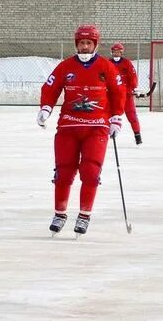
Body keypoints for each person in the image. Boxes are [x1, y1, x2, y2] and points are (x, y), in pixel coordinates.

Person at [37, 24, 125, 236]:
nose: (84, 47)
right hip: (69, 125)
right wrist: (46, 108)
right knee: (63, 172)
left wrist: (116, 118)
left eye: (88, 43)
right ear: (76, 44)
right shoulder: (66, 66)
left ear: (95, 44)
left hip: (97, 127)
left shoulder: (106, 66)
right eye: (81, 43)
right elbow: (50, 87)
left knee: (91, 172)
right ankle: (60, 213)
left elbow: (118, 91)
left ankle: (84, 215)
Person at [109, 42, 143, 145]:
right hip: (113, 95)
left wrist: (134, 87)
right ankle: (104, 136)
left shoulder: (127, 63)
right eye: (114, 51)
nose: (116, 53)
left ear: (121, 52)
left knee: (132, 116)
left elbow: (132, 77)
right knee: (108, 115)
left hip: (126, 95)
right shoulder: (107, 63)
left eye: (118, 52)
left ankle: (138, 136)